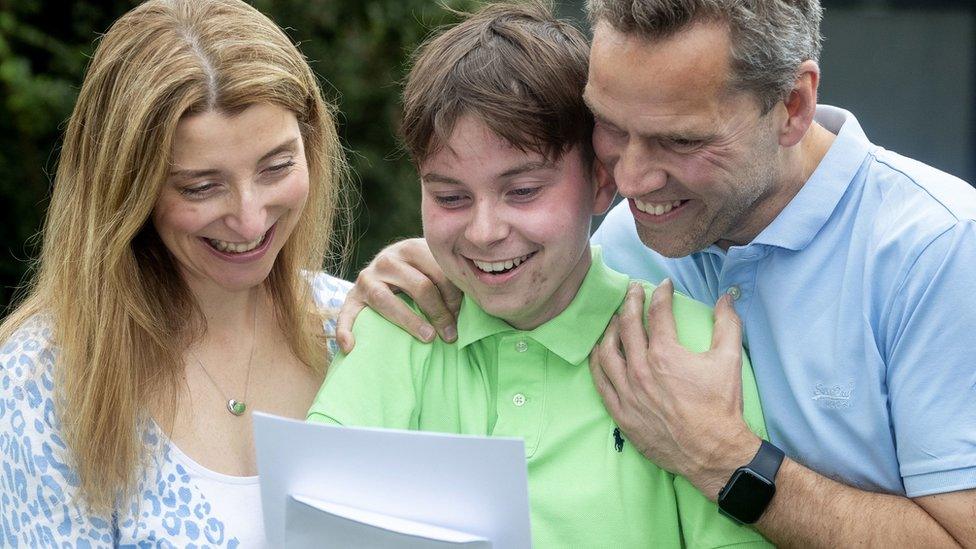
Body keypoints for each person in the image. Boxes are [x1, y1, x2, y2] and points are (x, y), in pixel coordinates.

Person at [338, 0, 976, 545]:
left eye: (681, 141)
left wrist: (724, 459)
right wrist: (432, 270)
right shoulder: (630, 235)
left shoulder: (941, 252)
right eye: (610, 128)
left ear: (793, 105)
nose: (631, 179)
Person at [309, 2, 772, 547]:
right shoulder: (398, 328)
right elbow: (319, 522)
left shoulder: (690, 347)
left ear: (602, 182)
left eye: (523, 191)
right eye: (450, 196)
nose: (484, 231)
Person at [0, 0, 351, 545]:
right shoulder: (41, 380)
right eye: (201, 187)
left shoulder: (358, 330)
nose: (250, 217)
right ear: (125, 191)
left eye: (277, 166)